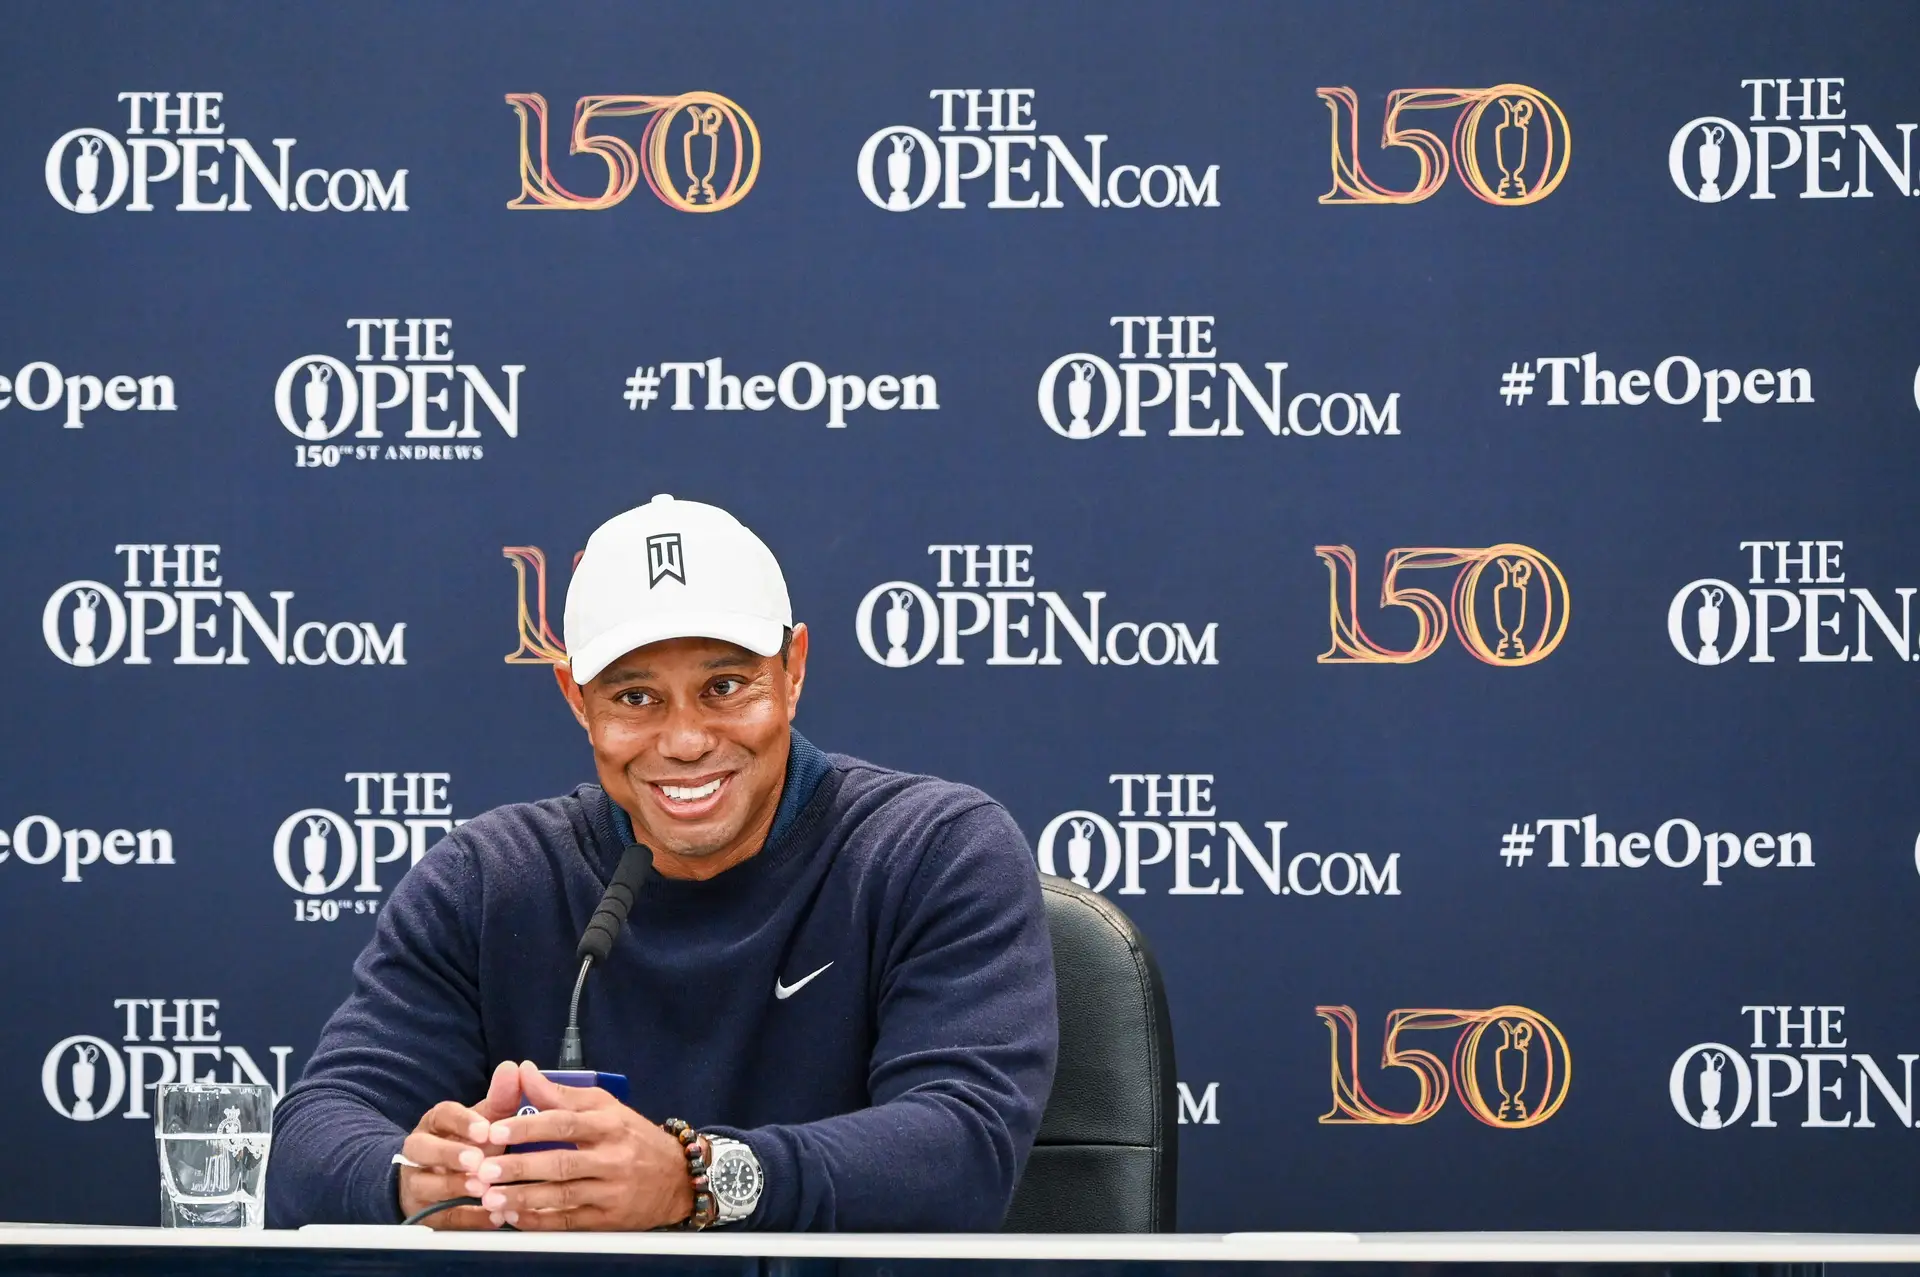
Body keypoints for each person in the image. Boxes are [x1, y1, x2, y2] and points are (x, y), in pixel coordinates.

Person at [266, 495, 1058, 1232]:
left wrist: (695, 1178)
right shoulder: (487, 879)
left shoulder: (932, 849)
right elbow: (313, 1136)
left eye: (723, 685)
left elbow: (963, 1150)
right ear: (576, 699)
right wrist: (421, 1175)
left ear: (794, 671)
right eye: (635, 697)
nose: (684, 740)